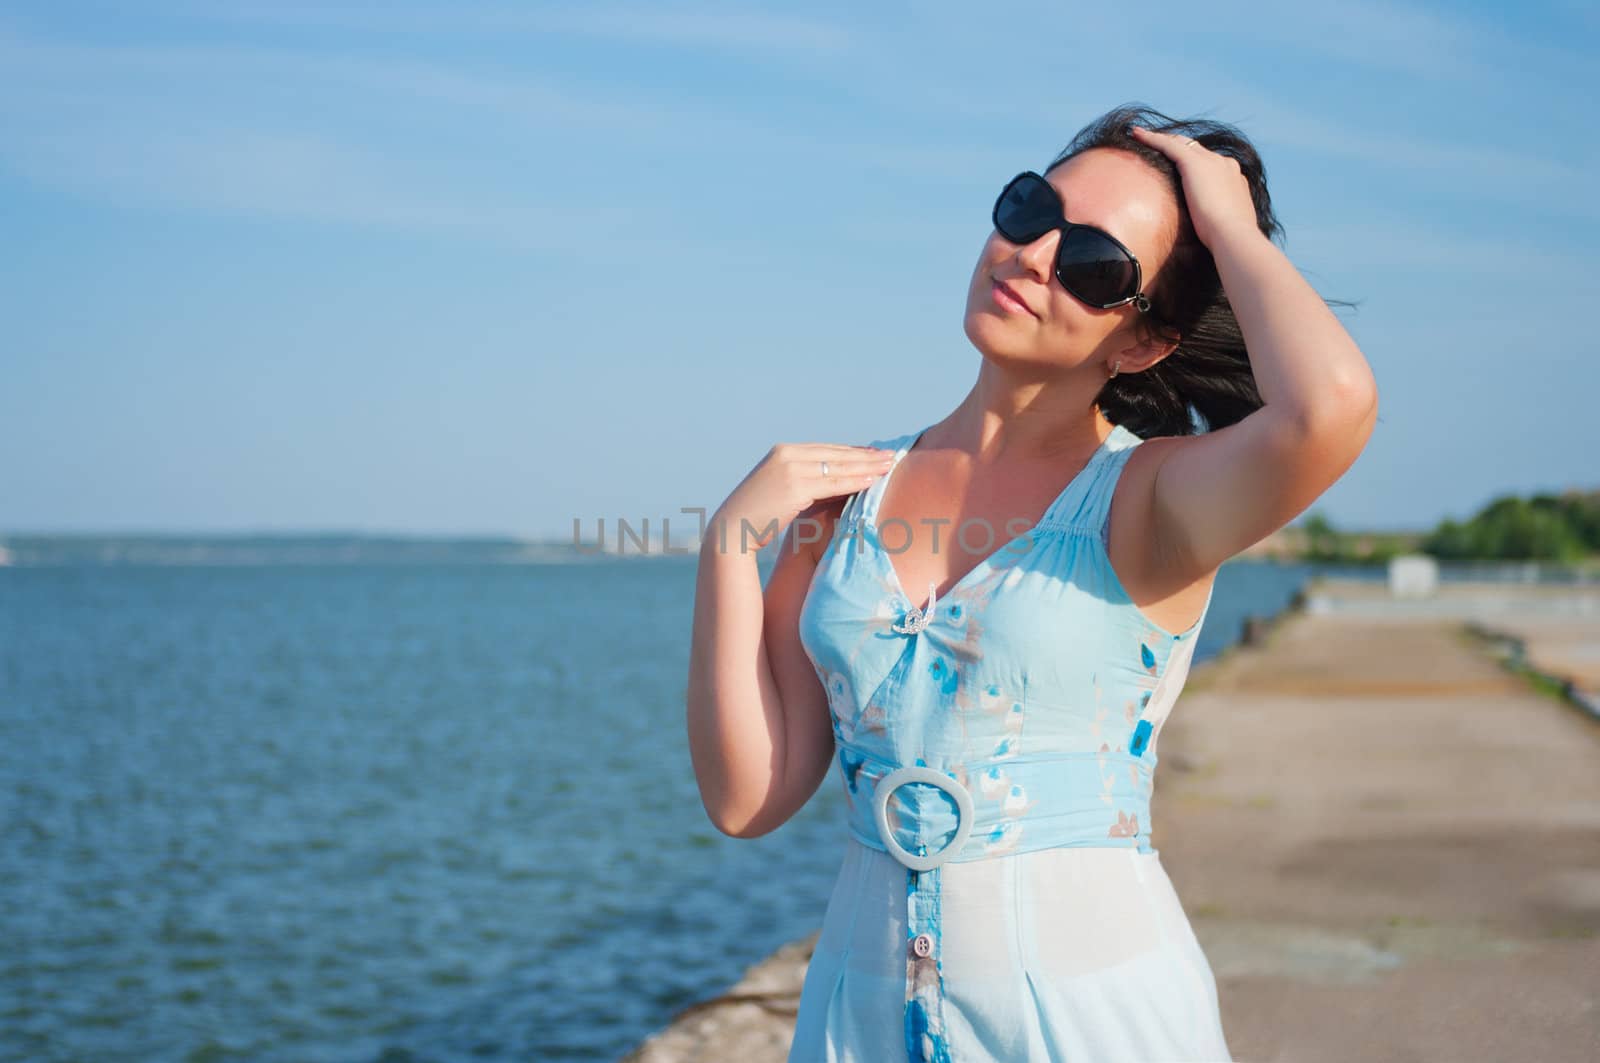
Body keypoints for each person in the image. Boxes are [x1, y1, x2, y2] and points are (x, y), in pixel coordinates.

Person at [685, 102, 1378, 1062]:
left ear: (1143, 341)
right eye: (1027, 210)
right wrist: (726, 548)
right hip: (858, 1019)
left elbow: (1330, 408)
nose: (1032, 254)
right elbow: (748, 798)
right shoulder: (840, 498)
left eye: (1094, 262)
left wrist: (1227, 221)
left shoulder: (1151, 501)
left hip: (1088, 1019)